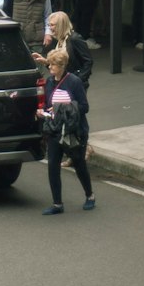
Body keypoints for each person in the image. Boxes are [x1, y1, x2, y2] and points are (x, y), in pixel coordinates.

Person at [38, 47, 95, 215]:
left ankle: (90, 196)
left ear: (61, 66)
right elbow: (48, 105)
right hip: (56, 129)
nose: (50, 68)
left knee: (79, 163)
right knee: (53, 166)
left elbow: (84, 107)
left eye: (53, 65)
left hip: (73, 131)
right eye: (49, 65)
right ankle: (57, 204)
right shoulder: (49, 82)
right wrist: (43, 112)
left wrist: (62, 109)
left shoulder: (74, 82)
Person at [35, 10, 93, 83]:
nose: (50, 28)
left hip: (74, 83)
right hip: (62, 81)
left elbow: (88, 61)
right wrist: (45, 62)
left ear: (61, 25)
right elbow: (58, 65)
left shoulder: (75, 39)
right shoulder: (58, 41)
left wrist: (79, 79)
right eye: (49, 25)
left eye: (52, 25)